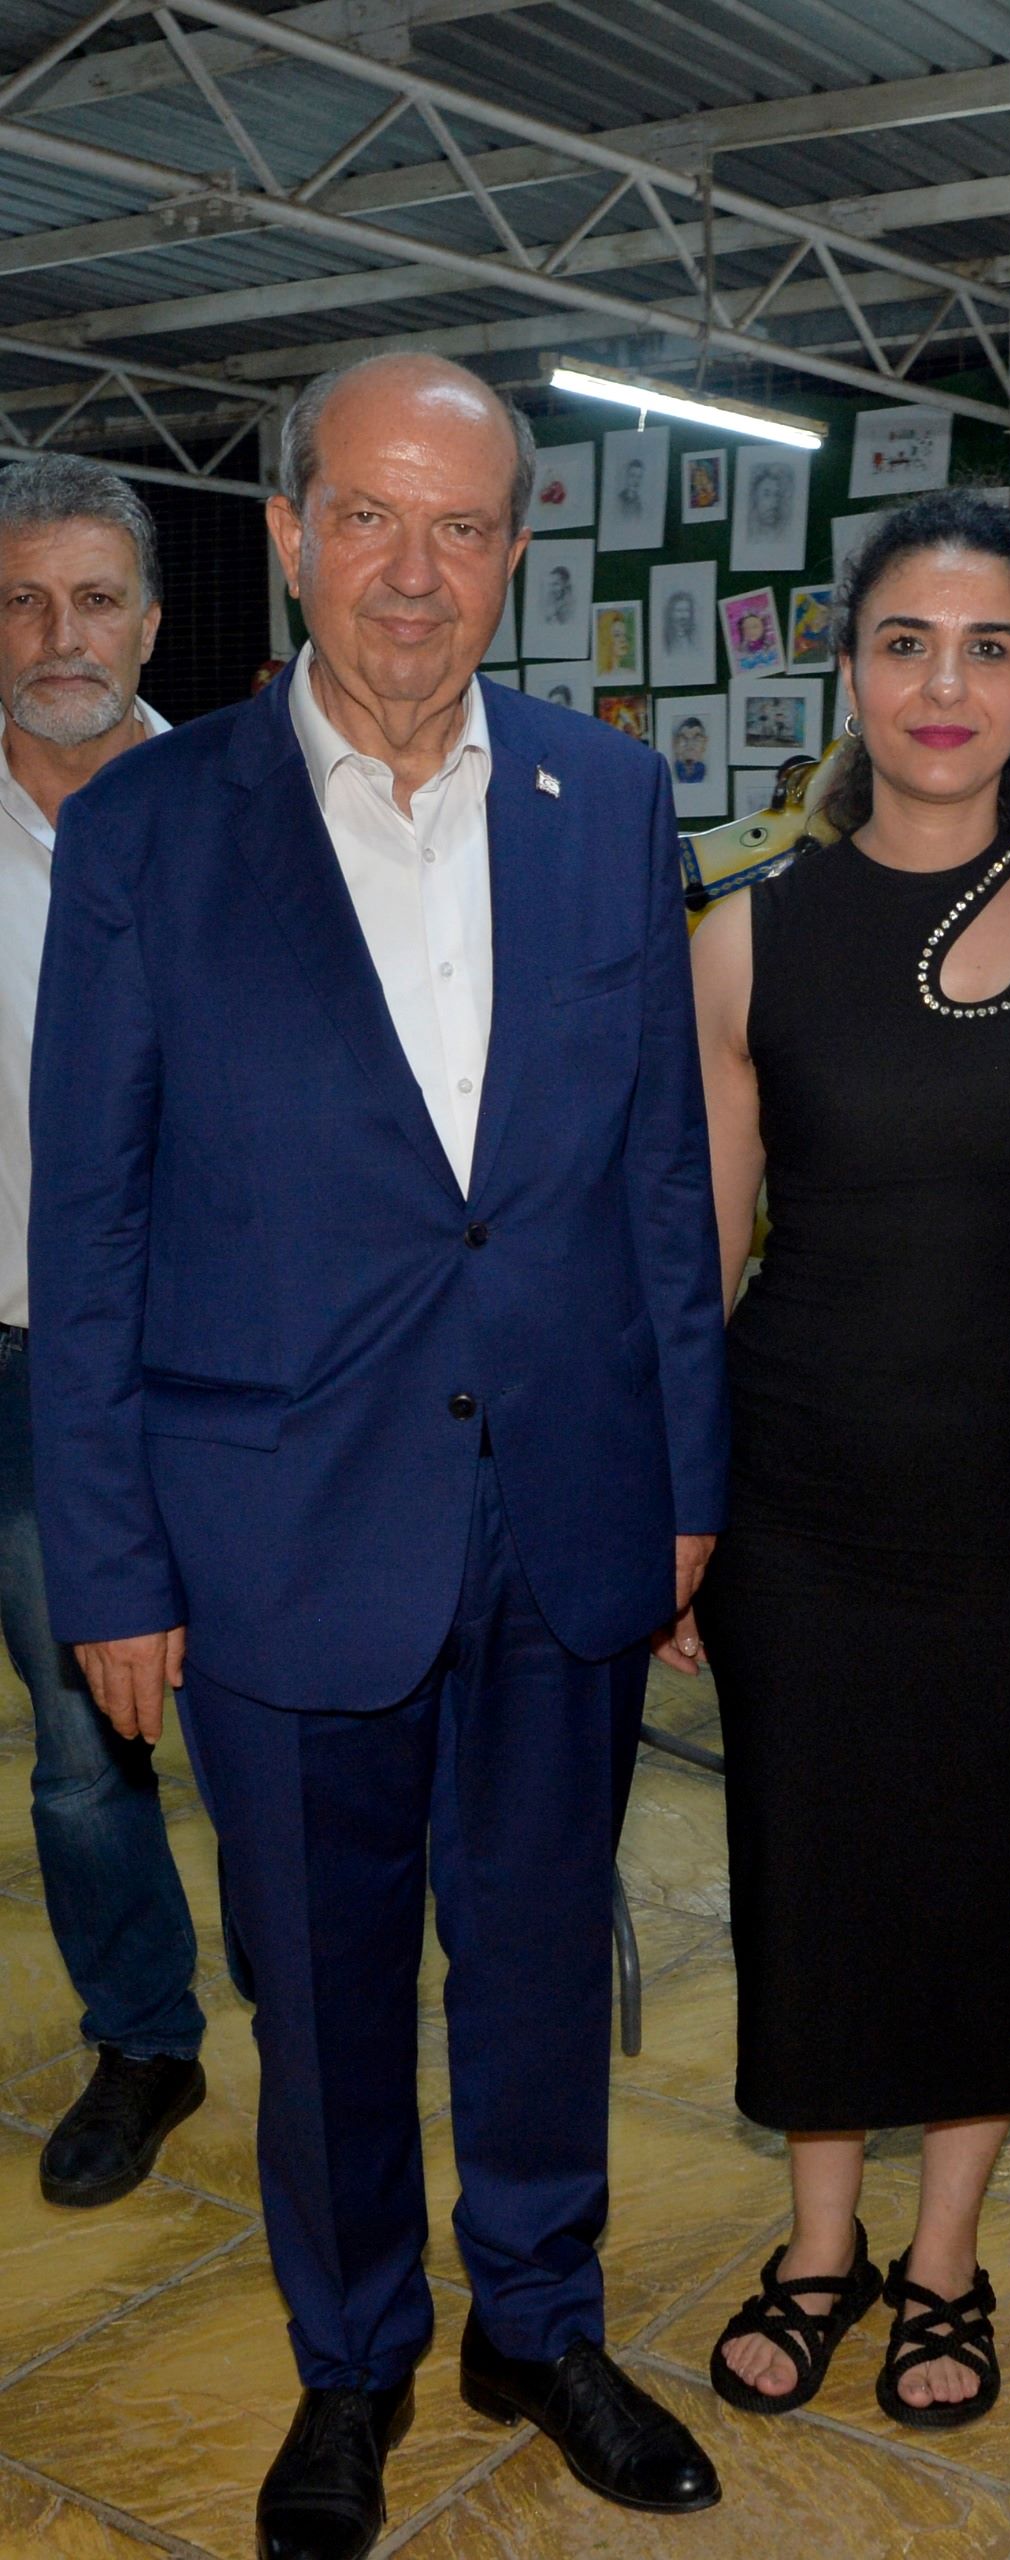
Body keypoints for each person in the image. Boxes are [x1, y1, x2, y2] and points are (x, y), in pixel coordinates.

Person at [28, 353, 728, 2560]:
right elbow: (89, 1226)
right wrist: (111, 1564)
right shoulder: (150, 828)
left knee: (538, 1952)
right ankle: (353, 2361)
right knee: (321, 1992)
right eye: (367, 518)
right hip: (272, 1529)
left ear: (514, 550)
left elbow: (657, 1186)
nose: (411, 574)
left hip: (565, 1505)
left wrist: (686, 1484)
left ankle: (539, 2317)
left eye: (459, 527)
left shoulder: (609, 799)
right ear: (288, 535)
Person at [682, 491, 1010, 2430]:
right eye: (903, 643)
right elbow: (699, 1264)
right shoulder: (743, 936)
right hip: (801, 1503)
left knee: (999, 1870)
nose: (941, 685)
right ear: (848, 673)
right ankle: (821, 2244)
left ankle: (944, 2256)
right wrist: (678, 1518)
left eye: (986, 648)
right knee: (811, 1870)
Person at [0, 455, 209, 2208]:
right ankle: (145, 2037)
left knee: (295, 1715)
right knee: (81, 1749)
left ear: (150, 621)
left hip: (234, 1367)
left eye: (92, 599)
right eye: (21, 601)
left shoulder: (247, 814)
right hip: (23, 1370)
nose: (58, 635)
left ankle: (327, 2009)